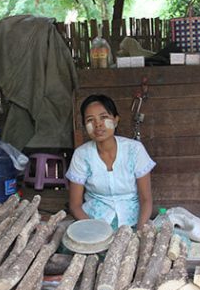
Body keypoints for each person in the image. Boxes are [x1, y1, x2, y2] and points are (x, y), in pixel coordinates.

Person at [66, 94, 155, 230]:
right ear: (85, 126)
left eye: (104, 117)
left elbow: (146, 199)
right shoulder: (81, 155)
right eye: (90, 120)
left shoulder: (134, 150)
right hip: (94, 219)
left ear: (116, 120)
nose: (98, 124)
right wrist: (94, 230)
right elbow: (75, 205)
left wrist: (140, 230)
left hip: (133, 220)